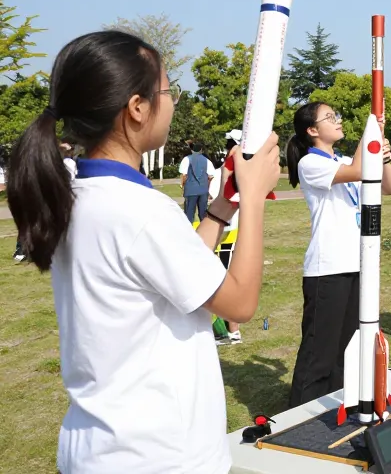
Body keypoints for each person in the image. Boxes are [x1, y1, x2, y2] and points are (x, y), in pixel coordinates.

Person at [4, 30, 280, 474]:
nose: (173, 102)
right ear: (136, 108)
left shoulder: (79, 194)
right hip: (156, 455)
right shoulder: (139, 211)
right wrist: (253, 197)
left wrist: (222, 207)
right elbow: (240, 302)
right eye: (168, 91)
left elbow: (176, 269)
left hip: (100, 449)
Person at [286, 102, 391, 408]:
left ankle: (332, 403)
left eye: (337, 115)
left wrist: (383, 154)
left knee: (345, 348)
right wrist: (371, 129)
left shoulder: (346, 159)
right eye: (329, 118)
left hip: (356, 263)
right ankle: (300, 411)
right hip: (328, 267)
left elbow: (389, 188)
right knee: (318, 350)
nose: (337, 121)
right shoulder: (311, 163)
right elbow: (361, 170)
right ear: (312, 131)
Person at [209, 130, 244, 345]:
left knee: (226, 281)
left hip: (229, 232)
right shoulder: (227, 170)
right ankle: (229, 330)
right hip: (229, 230)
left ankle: (232, 332)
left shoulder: (232, 171)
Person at [179, 142, 214, 224]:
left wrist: (183, 185)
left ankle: (189, 232)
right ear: (201, 150)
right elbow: (210, 177)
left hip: (190, 190)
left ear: (192, 150)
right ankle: (204, 232)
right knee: (203, 214)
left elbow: (184, 175)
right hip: (203, 190)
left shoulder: (186, 159)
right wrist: (207, 187)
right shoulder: (207, 161)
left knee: (189, 214)